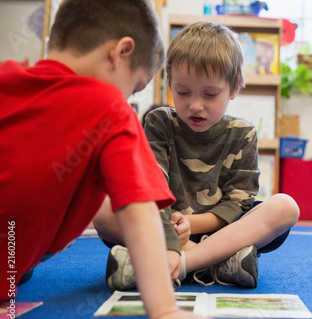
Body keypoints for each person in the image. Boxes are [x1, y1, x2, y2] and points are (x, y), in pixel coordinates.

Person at [0, 1, 234, 319]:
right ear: (120, 53)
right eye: (134, 87)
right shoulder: (110, 109)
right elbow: (139, 211)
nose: (127, 99)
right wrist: (165, 312)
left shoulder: (5, 76)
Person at [94, 21, 300, 291]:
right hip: (162, 223)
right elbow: (152, 185)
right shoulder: (159, 122)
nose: (195, 105)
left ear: (234, 88)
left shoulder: (243, 134)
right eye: (182, 92)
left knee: (285, 207)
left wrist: (189, 225)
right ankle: (218, 264)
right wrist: (171, 234)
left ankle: (178, 263)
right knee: (102, 207)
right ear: (170, 84)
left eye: (210, 94)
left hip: (221, 232)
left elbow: (236, 205)